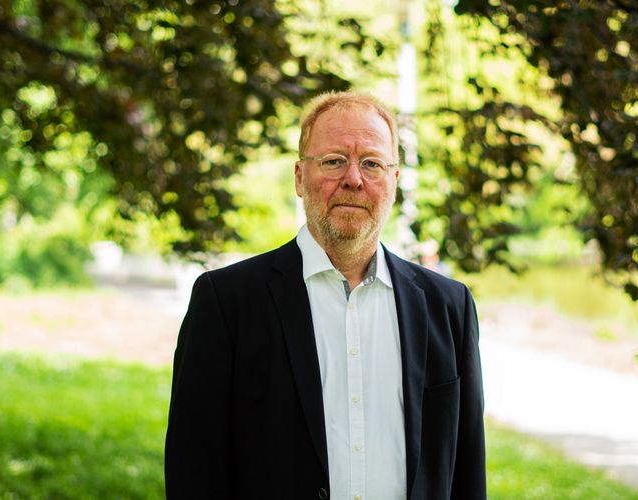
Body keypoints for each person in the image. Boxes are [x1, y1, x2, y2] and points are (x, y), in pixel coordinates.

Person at [165, 91, 486, 499]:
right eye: (334, 161)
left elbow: (467, 471)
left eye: (372, 163)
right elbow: (194, 470)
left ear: (394, 181)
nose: (354, 178)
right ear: (299, 177)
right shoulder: (227, 302)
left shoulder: (448, 306)